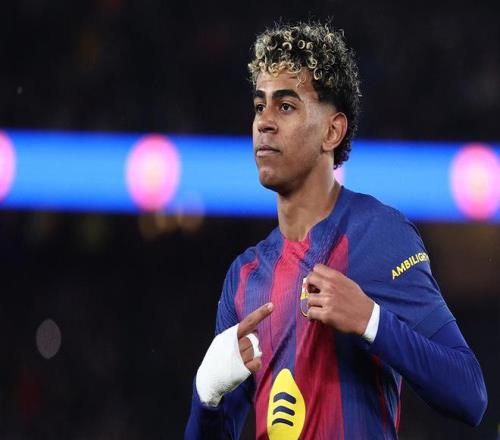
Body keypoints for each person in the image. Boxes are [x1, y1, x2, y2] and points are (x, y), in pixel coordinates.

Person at [185, 21, 487, 439]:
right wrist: (206, 395)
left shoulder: (378, 234)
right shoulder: (243, 277)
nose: (264, 122)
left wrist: (371, 321)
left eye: (285, 106)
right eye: (259, 106)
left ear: (332, 131)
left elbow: (471, 395)